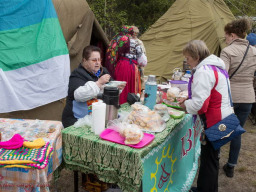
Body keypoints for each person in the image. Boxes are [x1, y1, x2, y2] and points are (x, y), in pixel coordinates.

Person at [179, 40, 233, 192]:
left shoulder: (204, 71)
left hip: (215, 121)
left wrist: (184, 106)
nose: (187, 62)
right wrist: (190, 100)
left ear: (196, 56)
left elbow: (200, 105)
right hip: (225, 118)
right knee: (212, 159)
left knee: (209, 160)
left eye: (188, 58)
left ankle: (206, 189)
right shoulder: (216, 67)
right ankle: (207, 188)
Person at [220, 18, 256, 178]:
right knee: (236, 132)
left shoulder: (227, 51)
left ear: (233, 35)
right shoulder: (254, 51)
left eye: (226, 36)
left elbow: (222, 76)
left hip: (231, 97)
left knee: (222, 129)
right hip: (248, 97)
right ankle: (231, 166)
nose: (225, 39)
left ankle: (216, 158)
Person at [62, 45, 111, 128]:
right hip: (76, 121)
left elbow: (111, 86)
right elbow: (79, 95)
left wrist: (116, 87)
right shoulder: (77, 74)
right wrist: (98, 83)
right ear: (84, 61)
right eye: (94, 60)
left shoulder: (103, 71)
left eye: (99, 60)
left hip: (95, 118)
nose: (97, 63)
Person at [105, 25, 147, 104]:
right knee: (129, 90)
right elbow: (143, 61)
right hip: (130, 67)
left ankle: (117, 107)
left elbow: (110, 56)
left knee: (120, 88)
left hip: (119, 66)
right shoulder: (135, 42)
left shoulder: (115, 39)